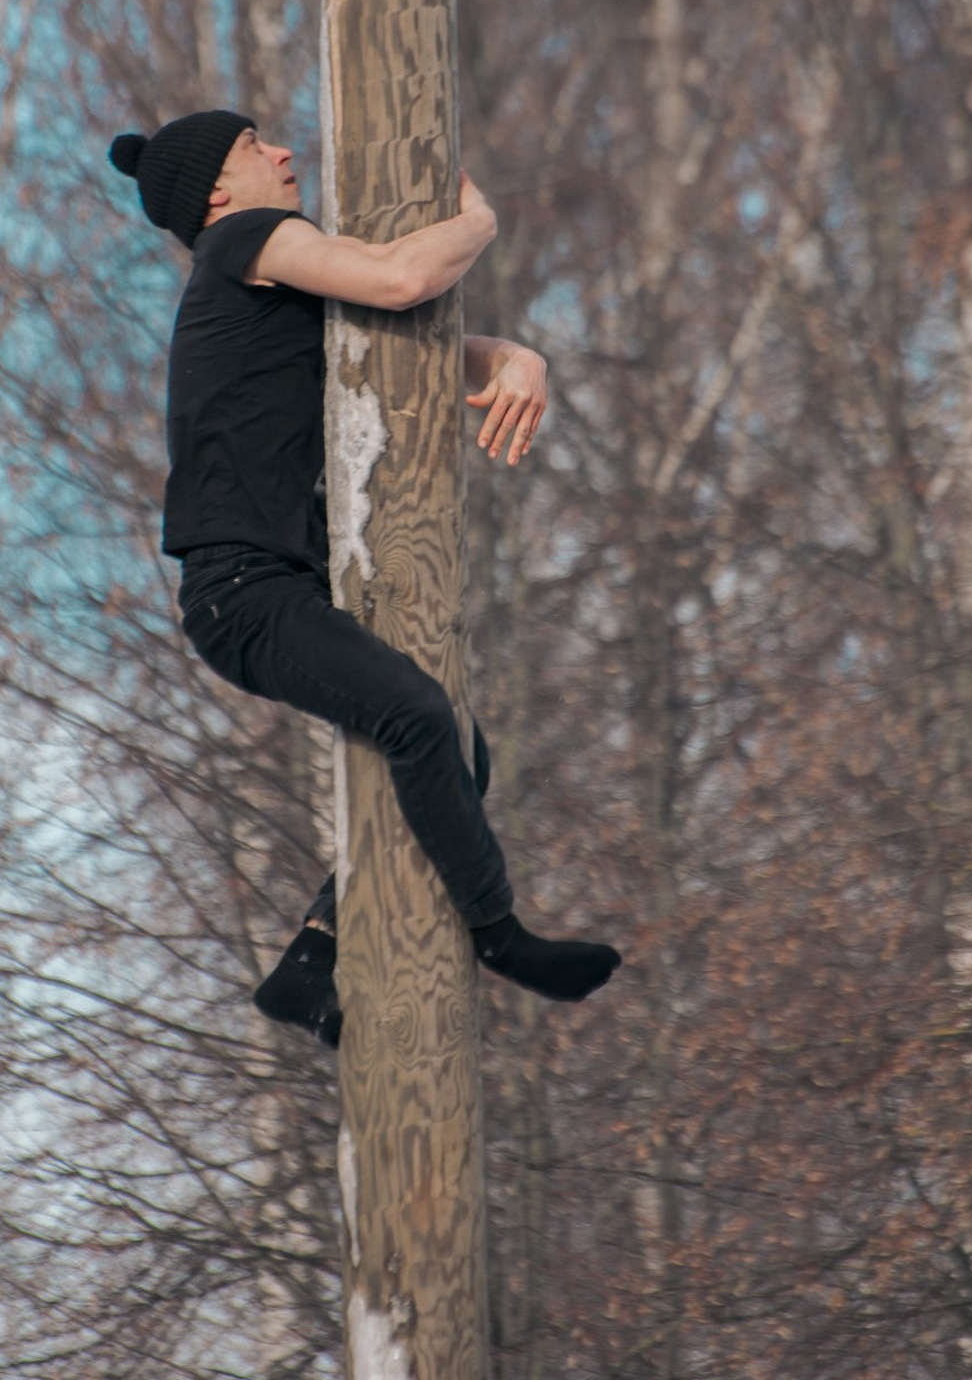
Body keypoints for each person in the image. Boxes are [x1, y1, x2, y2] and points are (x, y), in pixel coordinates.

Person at [109, 108, 621, 1048]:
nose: (283, 152)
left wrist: (522, 358)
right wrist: (480, 223)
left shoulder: (273, 290)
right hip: (245, 589)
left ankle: (311, 959)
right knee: (420, 719)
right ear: (220, 197)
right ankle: (499, 938)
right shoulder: (250, 242)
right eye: (255, 149)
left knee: (459, 748)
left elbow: (418, 350)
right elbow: (404, 276)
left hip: (266, 587)